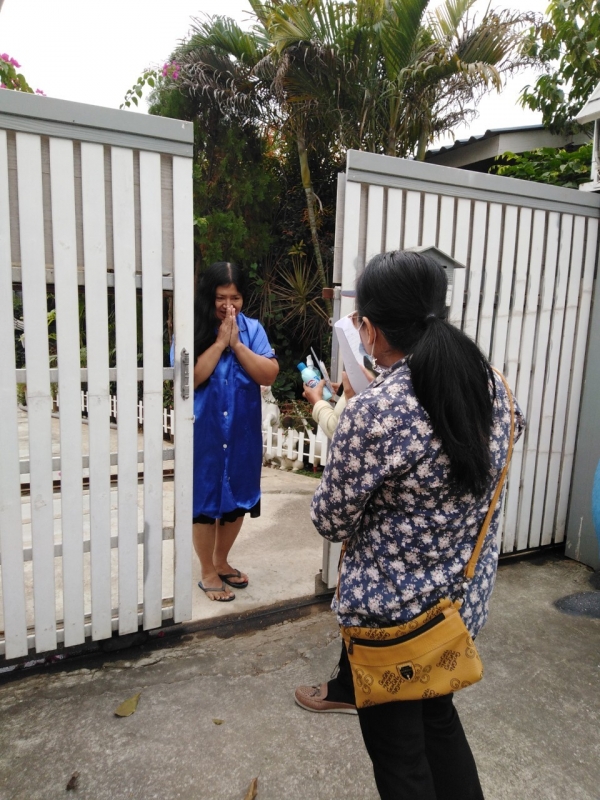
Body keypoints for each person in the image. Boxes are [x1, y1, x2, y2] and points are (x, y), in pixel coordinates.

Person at [295, 250, 525, 800]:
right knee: (439, 722)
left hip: (391, 626)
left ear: (370, 331)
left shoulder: (375, 412)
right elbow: (495, 441)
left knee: (400, 757)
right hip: (455, 611)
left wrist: (350, 421)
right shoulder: (494, 387)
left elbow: (330, 519)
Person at [191, 261, 279, 601]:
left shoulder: (253, 330)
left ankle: (221, 560)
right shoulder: (192, 328)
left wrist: (238, 345)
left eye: (236, 297)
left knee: (237, 499)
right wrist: (218, 343)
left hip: (242, 434)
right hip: (205, 433)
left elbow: (268, 374)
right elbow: (191, 379)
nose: (229, 305)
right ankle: (207, 571)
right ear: (208, 296)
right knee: (203, 501)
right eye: (221, 297)